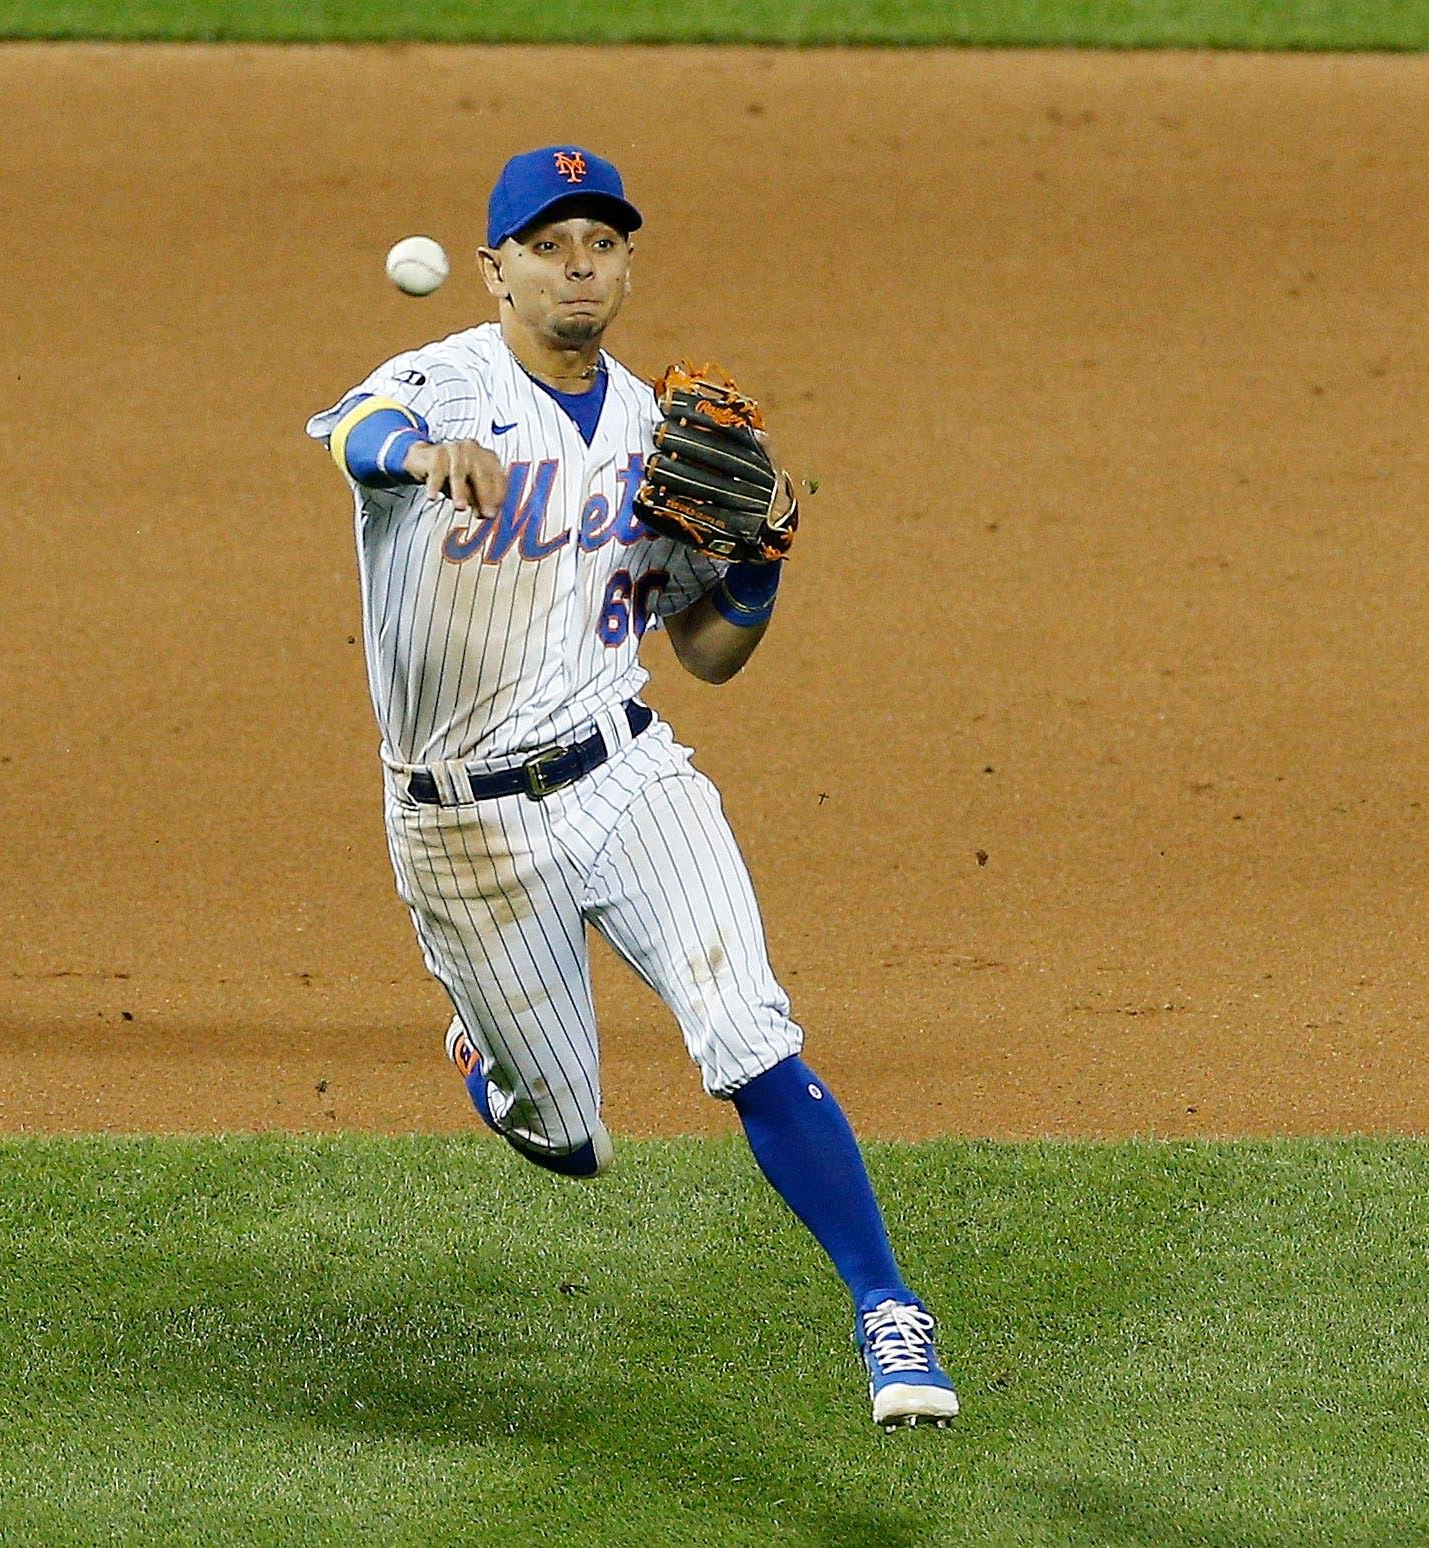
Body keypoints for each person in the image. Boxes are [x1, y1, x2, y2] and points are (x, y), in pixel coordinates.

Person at [306, 146, 956, 1428]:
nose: (578, 266)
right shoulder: (437, 384)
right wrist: (420, 458)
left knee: (749, 1030)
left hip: (628, 773)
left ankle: (889, 1310)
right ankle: (496, 1068)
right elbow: (354, 443)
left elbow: (706, 655)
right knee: (572, 1142)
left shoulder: (666, 438)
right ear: (494, 269)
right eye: (549, 245)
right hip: (462, 826)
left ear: (626, 265)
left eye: (600, 243)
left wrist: (761, 567)